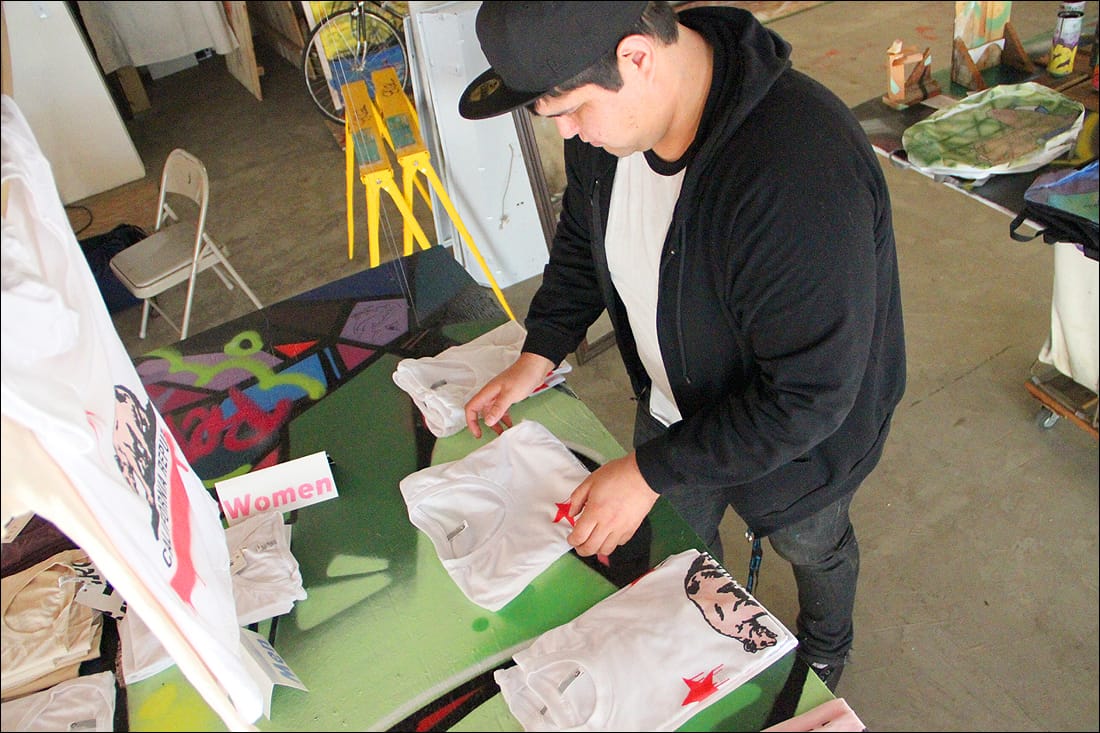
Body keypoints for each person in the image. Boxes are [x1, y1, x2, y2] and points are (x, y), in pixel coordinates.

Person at [459, 0, 906, 693]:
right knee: (675, 541)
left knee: (807, 541)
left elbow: (808, 398)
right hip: (675, 409)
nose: (570, 135)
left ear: (637, 57)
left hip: (801, 442)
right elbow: (585, 239)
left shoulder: (797, 171)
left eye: (573, 111)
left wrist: (644, 472)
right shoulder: (605, 137)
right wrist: (539, 349)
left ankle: (826, 642)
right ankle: (706, 632)